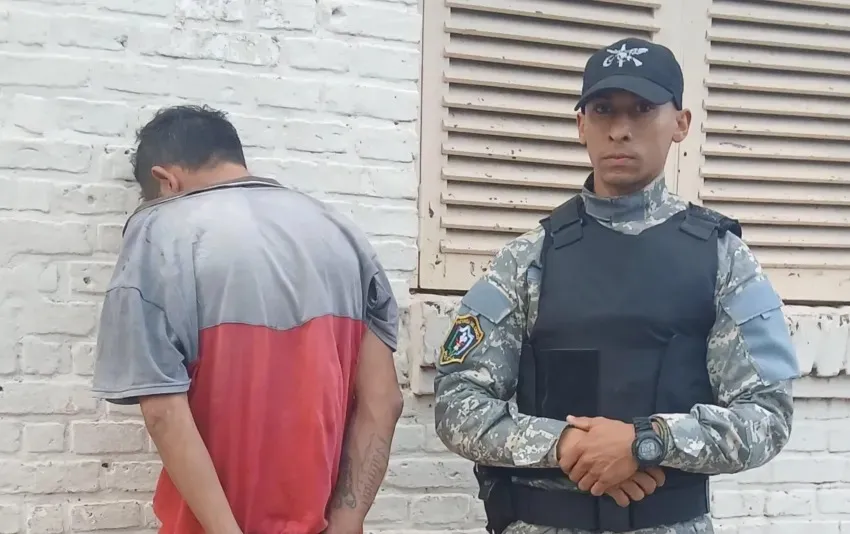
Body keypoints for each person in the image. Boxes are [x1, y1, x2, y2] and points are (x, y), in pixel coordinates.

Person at [433, 37, 799, 534]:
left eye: (642, 109)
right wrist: (567, 444)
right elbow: (457, 402)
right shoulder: (528, 259)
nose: (620, 130)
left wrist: (646, 441)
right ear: (581, 125)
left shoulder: (723, 258)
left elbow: (767, 415)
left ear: (681, 123)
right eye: (603, 109)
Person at [91, 104, 404, 534]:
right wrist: (347, 523)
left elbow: (162, 411)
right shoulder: (341, 233)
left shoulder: (161, 229)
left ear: (166, 180)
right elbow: (383, 400)